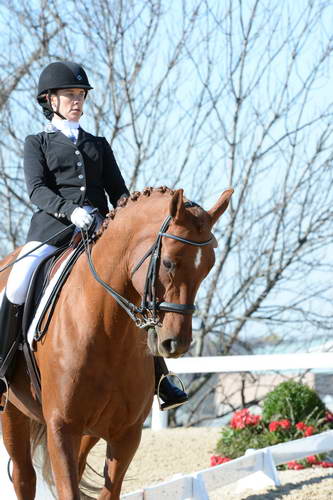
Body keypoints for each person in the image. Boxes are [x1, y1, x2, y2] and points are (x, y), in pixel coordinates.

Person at [0, 61, 187, 411]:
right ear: (49, 100)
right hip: (53, 232)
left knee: (138, 288)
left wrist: (126, 217)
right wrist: (69, 210)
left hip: (100, 234)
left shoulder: (98, 144)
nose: (77, 100)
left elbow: (120, 193)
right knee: (17, 283)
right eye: (70, 94)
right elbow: (37, 190)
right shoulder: (36, 143)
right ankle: (2, 370)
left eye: (81, 94)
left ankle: (161, 377)